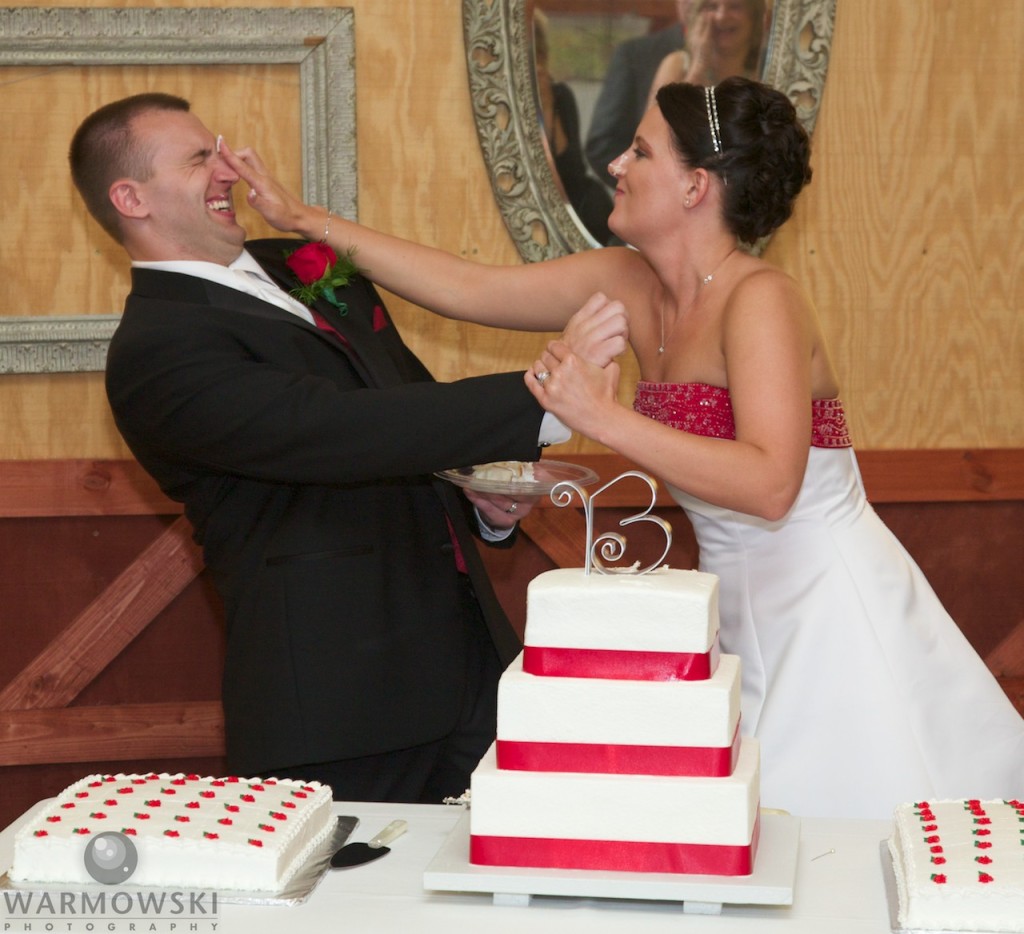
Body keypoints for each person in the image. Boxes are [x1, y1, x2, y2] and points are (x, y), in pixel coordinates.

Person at [223, 76, 1024, 820]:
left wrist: (601, 417)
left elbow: (772, 484)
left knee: (832, 832)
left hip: (829, 610)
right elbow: (469, 288)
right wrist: (304, 220)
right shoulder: (629, 280)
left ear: (694, 186)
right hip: (730, 614)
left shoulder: (763, 299)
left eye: (640, 151)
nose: (615, 161)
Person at [68, 92, 626, 804]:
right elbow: (332, 430)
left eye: (220, 151)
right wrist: (541, 394)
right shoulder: (156, 350)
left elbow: (399, 399)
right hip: (340, 707)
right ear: (131, 198)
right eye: (199, 158)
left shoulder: (300, 264)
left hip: (470, 663)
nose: (227, 172)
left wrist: (477, 487)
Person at [584, 1, 691, 188]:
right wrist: (644, 188)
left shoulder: (756, 58)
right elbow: (602, 147)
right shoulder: (635, 55)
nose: (719, 12)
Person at [534, 9, 614, 244]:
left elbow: (572, 170)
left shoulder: (560, 95)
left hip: (565, 188)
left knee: (594, 201)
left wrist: (547, 105)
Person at [647, 0, 767, 106]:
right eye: (712, 6)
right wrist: (700, 65)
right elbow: (654, 127)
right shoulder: (677, 64)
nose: (722, 16)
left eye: (734, 7)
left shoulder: (766, 69)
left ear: (754, 16)